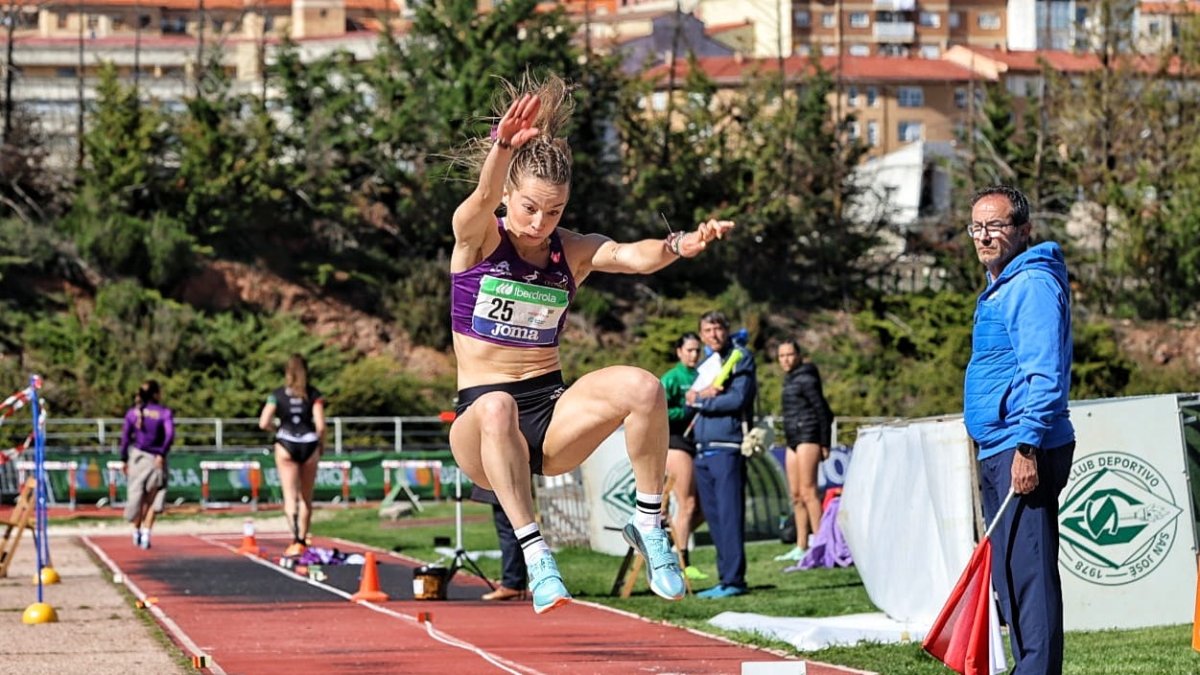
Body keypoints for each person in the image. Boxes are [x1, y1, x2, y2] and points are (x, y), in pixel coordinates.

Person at [447, 73, 734, 614]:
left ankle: (648, 525)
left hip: (552, 418)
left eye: (553, 211)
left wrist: (682, 243)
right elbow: (479, 200)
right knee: (497, 405)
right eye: (530, 207)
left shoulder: (569, 251)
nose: (539, 222)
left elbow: (630, 255)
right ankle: (536, 556)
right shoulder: (480, 239)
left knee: (643, 387)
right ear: (509, 193)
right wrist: (503, 150)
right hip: (481, 424)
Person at [964, 185, 1075, 674]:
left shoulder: (1029, 285)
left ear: (1024, 230)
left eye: (996, 225)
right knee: (1009, 575)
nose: (985, 235)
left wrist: (1027, 445)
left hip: (1023, 444)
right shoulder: (1002, 284)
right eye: (976, 227)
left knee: (1029, 576)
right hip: (1000, 444)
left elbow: (1044, 373)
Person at [687, 310, 756, 598]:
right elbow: (692, 397)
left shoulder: (741, 357)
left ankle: (735, 580)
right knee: (714, 518)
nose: (713, 334)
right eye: (707, 330)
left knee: (729, 516)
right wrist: (697, 397)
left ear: (726, 330)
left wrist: (702, 402)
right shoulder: (706, 363)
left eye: (718, 328)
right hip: (702, 449)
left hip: (727, 447)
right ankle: (724, 578)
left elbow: (739, 398)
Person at [259, 354, 327, 557]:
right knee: (306, 497)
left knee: (289, 496)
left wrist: (276, 428)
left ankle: (295, 538)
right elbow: (321, 426)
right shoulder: (313, 394)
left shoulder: (277, 395)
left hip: (286, 443)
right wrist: (321, 445)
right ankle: (303, 538)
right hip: (308, 443)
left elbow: (263, 422)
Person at [775, 338, 833, 571]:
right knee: (796, 495)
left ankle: (820, 545)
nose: (785, 359)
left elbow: (823, 411)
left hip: (809, 435)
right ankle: (801, 544)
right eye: (781, 356)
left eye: (789, 355)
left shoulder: (807, 377)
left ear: (798, 356)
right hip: (792, 439)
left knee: (809, 492)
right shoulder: (789, 379)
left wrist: (824, 442)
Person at [660, 331, 707, 581]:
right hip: (676, 444)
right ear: (679, 352)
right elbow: (661, 411)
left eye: (697, 350)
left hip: (697, 443)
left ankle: (672, 539)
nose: (693, 354)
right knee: (687, 504)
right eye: (689, 350)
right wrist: (686, 410)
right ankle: (682, 562)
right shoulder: (672, 378)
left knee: (702, 507)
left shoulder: (702, 376)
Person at [119, 380, 175, 550]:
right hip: (156, 460)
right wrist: (162, 453)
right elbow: (170, 435)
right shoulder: (164, 413)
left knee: (137, 497)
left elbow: (125, 438)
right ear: (157, 394)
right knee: (152, 499)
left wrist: (124, 459)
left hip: (137, 458)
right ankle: (146, 533)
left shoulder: (132, 413)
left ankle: (135, 530)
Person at [471, 485, 528, 601]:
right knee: (511, 529)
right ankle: (514, 583)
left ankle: (512, 584)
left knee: (508, 530)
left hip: (505, 484)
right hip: (508, 484)